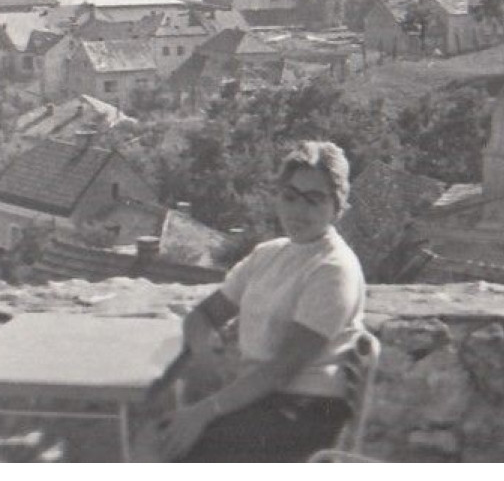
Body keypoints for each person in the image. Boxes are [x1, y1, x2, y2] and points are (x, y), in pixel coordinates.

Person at [156, 141, 366, 462]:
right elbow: (204, 315)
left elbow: (282, 369)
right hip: (262, 399)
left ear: (338, 208)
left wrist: (205, 410)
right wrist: (205, 362)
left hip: (308, 409)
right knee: (157, 426)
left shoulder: (334, 269)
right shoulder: (268, 254)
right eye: (290, 196)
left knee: (184, 448)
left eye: (314, 200)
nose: (298, 210)